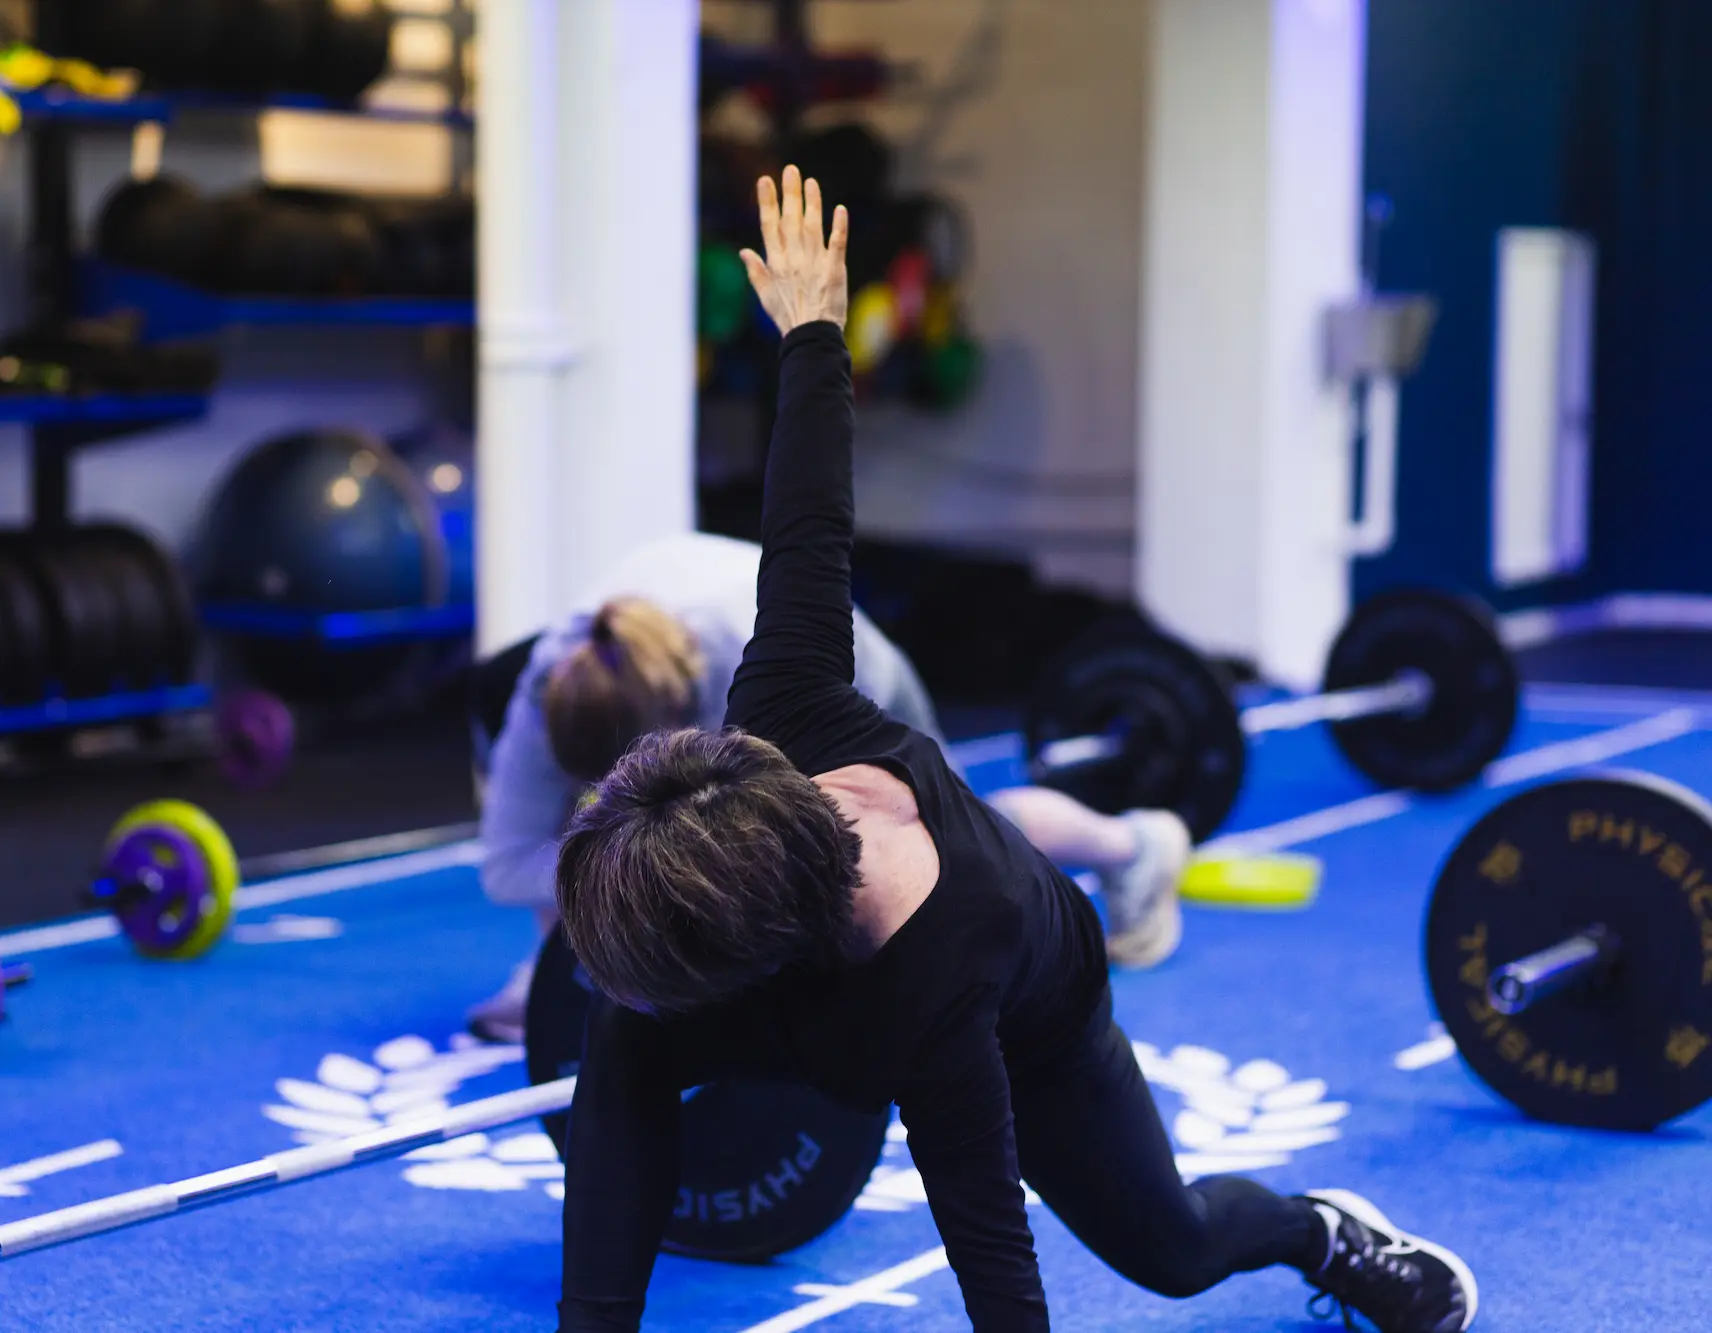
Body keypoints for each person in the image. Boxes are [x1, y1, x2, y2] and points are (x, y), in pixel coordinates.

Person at [546, 168, 1477, 1333]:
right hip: (772, 940)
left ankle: (1317, 1229)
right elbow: (806, 524)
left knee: (1172, 1248)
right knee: (622, 1036)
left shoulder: (940, 980)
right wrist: (813, 334)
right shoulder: (779, 705)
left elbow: (988, 1244)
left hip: (1029, 1012)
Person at [467, 534, 1190, 1044]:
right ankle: (558, 967)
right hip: (700, 642)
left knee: (952, 848)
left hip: (847, 667)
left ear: (677, 720)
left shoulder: (747, 679)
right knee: (616, 848)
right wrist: (592, 907)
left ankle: (1133, 845)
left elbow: (762, 868)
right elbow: (506, 865)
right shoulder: (549, 691)